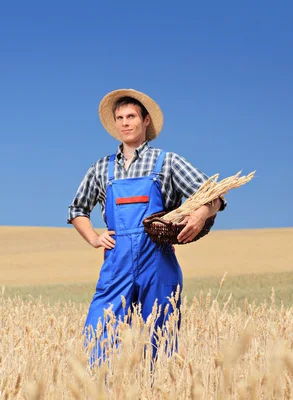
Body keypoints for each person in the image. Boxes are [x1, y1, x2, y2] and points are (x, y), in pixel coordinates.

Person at [67, 88, 226, 365]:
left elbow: (215, 194)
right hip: (116, 262)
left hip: (158, 261)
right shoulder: (100, 169)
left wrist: (201, 213)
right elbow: (77, 209)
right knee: (98, 335)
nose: (125, 123)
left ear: (146, 121)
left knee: (160, 341)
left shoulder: (168, 161)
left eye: (131, 116)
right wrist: (93, 237)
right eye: (119, 118)